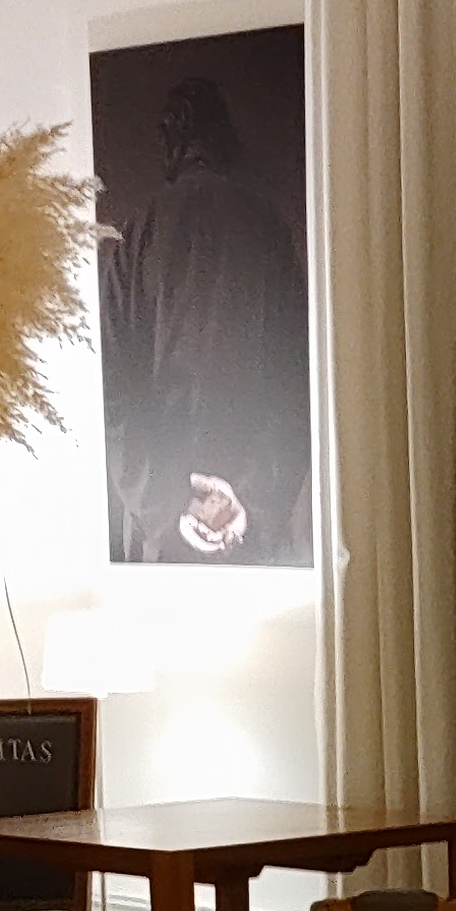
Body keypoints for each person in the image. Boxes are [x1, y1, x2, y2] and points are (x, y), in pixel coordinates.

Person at [96, 70, 311, 563]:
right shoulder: (269, 228)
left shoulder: (139, 234)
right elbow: (299, 380)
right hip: (253, 527)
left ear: (173, 136)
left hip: (163, 525)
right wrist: (253, 500)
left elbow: (112, 389)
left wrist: (163, 504)